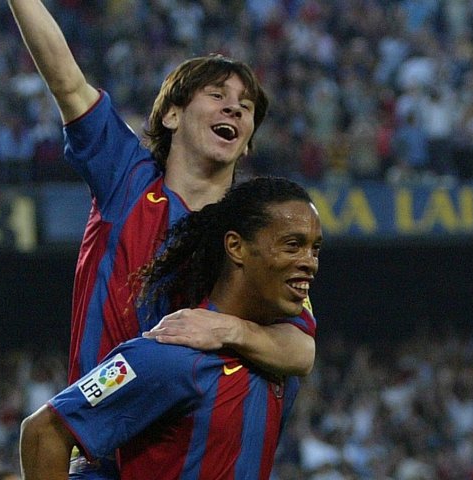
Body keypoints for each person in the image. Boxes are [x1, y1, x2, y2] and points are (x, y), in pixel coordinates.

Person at [8, 1, 317, 476]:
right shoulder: (126, 180)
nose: (234, 105)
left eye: (246, 105)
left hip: (189, 437)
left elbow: (301, 349)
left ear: (249, 140)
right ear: (171, 115)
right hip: (102, 439)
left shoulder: (254, 241)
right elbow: (66, 81)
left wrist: (228, 329)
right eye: (217, 95)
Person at [20, 176, 324, 480]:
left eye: (314, 249)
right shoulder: (167, 355)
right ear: (236, 247)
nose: (309, 262)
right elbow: (43, 433)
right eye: (293, 246)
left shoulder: (280, 356)